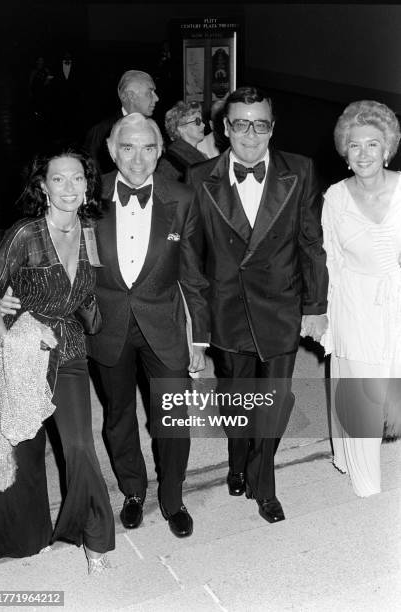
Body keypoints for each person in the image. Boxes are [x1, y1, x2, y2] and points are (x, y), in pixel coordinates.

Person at [187, 86, 328, 523]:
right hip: (227, 306)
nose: (251, 133)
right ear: (225, 128)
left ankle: (263, 478)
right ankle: (236, 458)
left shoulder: (299, 170)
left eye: (260, 123)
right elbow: (191, 258)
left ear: (272, 127)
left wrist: (316, 305)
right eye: (241, 123)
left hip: (281, 305)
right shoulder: (199, 177)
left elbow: (311, 243)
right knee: (235, 396)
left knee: (276, 397)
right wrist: (198, 326)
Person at [0, 145, 115, 574]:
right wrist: (9, 340)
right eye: (58, 179)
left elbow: (92, 286)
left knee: (80, 447)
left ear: (87, 185)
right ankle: (21, 539)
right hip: (25, 349)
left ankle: (94, 543)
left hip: (71, 350)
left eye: (77, 178)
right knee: (21, 451)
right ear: (43, 187)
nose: (68, 187)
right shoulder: (26, 233)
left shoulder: (91, 230)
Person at [86, 113, 209, 537]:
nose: (138, 159)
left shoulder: (183, 198)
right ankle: (133, 490)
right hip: (107, 324)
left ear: (161, 150)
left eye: (149, 148)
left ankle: (173, 496)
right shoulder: (87, 194)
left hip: (165, 323)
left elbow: (194, 275)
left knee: (172, 417)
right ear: (110, 150)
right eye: (127, 147)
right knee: (118, 414)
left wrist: (201, 339)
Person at [321, 100, 401, 497]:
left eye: (373, 144)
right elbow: (330, 259)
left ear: (387, 148)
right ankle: (366, 482)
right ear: (345, 153)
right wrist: (328, 320)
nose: (364, 153)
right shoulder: (335, 198)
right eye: (355, 146)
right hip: (354, 301)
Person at [84, 70, 159, 174]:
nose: (156, 98)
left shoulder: (154, 129)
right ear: (131, 96)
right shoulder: (101, 132)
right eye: (150, 92)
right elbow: (92, 174)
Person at [156, 101, 207, 181]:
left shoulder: (202, 155)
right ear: (181, 127)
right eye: (197, 121)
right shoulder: (171, 161)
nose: (203, 125)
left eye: (201, 121)